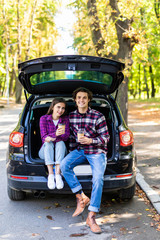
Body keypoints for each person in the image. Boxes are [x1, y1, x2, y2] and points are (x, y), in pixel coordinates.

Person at [60, 87, 110, 234]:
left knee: (98, 179)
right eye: (79, 98)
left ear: (89, 100)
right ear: (75, 100)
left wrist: (90, 140)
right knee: (64, 165)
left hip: (96, 151)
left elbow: (106, 138)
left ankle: (91, 216)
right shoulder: (71, 116)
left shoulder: (98, 116)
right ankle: (80, 196)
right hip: (79, 150)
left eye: (84, 98)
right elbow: (69, 138)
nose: (81, 100)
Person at [39, 97, 70, 190]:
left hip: (60, 153)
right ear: (52, 107)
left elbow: (66, 137)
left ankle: (58, 174)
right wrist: (55, 134)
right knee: (48, 143)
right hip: (45, 152)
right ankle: (51, 175)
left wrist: (58, 136)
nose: (60, 110)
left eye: (63, 108)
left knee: (60, 143)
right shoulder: (43, 119)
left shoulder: (65, 120)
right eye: (58, 107)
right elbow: (44, 137)